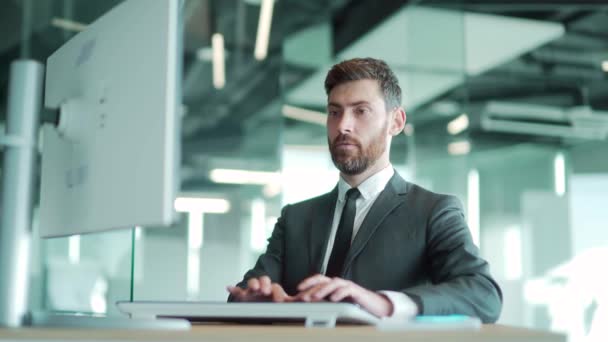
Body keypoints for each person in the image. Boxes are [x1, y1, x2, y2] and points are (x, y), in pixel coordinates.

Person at [227, 57, 502, 323]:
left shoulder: (433, 212)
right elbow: (243, 294)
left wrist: (383, 303)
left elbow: (483, 295)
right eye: (335, 112)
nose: (343, 125)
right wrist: (251, 301)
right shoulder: (296, 218)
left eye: (361, 111)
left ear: (395, 122)